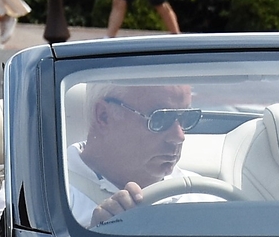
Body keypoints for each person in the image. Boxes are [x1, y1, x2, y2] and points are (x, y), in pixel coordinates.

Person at [74, 84, 216, 225]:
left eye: (188, 117)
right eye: (160, 118)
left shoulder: (207, 198)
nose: (179, 136)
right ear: (103, 116)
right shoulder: (57, 206)